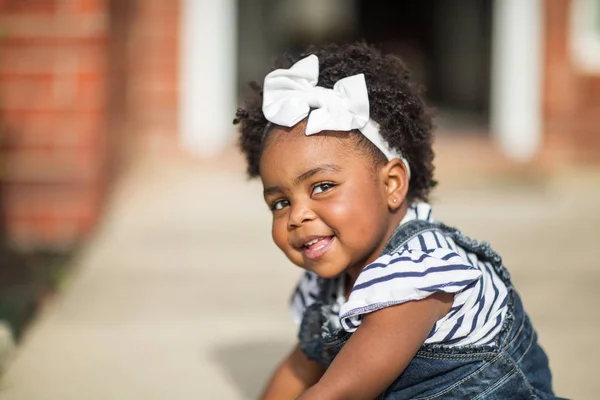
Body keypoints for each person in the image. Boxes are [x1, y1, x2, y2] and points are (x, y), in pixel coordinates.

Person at [233, 42, 557, 400]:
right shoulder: (325, 289)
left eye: (322, 186)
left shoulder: (419, 274)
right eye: (279, 203)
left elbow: (337, 393)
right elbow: (298, 369)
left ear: (392, 184)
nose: (298, 215)